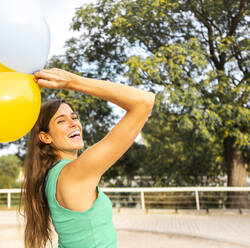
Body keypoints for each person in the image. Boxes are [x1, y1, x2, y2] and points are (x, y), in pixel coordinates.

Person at [20, 68, 155, 248]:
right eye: (61, 121)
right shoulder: (74, 173)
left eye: (74, 117)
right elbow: (144, 102)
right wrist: (72, 81)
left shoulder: (55, 174)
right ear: (46, 137)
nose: (73, 123)